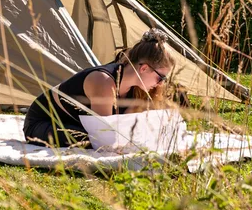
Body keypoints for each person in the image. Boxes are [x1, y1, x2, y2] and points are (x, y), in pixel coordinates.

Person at [23, 29, 176, 147]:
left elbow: (127, 129)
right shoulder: (104, 81)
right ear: (144, 68)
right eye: (161, 77)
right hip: (43, 123)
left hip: (74, 124)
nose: (161, 84)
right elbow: (105, 137)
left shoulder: (135, 88)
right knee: (93, 141)